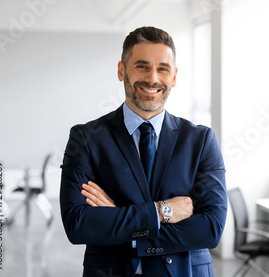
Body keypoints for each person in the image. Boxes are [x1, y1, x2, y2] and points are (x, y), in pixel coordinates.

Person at [59, 26, 227, 277]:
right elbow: (78, 224)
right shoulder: (86, 138)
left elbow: (210, 229)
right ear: (121, 71)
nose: (152, 78)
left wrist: (119, 220)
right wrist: (162, 211)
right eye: (142, 66)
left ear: (174, 76)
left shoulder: (201, 140)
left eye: (163, 68)